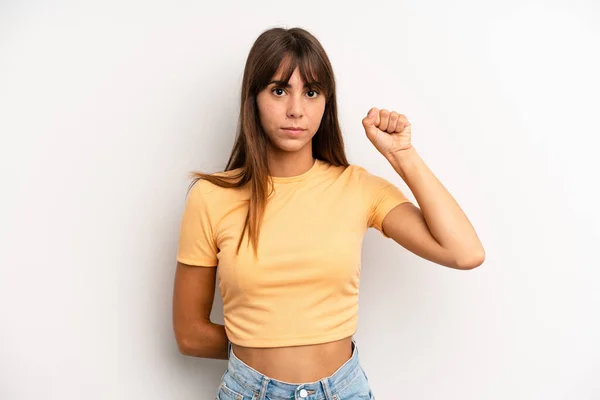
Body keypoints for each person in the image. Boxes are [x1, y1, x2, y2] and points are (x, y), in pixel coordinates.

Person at [172, 26, 485, 400]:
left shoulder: (358, 187)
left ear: (326, 102)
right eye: (278, 90)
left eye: (311, 92)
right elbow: (190, 334)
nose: (296, 110)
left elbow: (465, 253)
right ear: (253, 99)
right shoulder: (212, 197)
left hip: (343, 390)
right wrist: (262, 349)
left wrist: (402, 156)